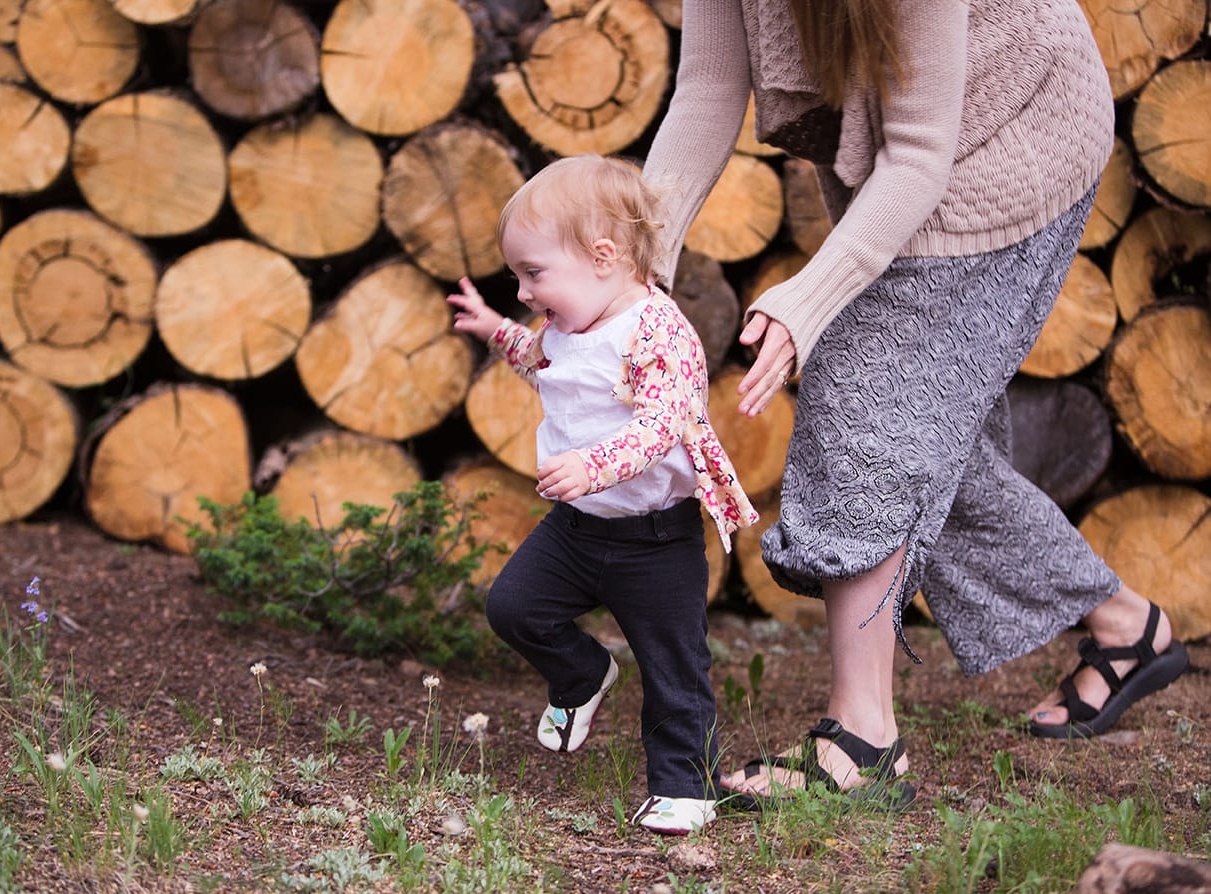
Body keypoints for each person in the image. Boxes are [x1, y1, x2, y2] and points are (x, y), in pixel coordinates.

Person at [640, 0, 1189, 806]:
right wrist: (632, 283)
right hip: (900, 143)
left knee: (867, 395)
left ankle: (863, 745)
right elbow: (709, 89)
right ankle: (1125, 625)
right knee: (916, 425)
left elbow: (920, 154)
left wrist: (810, 299)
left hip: (1010, 133)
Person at [447, 154, 759, 834]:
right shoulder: (568, 325)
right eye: (517, 277)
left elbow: (662, 424)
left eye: (534, 274)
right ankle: (582, 674)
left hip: (655, 539)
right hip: (578, 529)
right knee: (514, 607)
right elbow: (540, 363)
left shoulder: (657, 331)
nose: (525, 292)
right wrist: (495, 329)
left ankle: (685, 786)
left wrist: (593, 465)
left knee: (673, 664)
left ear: (603, 255)